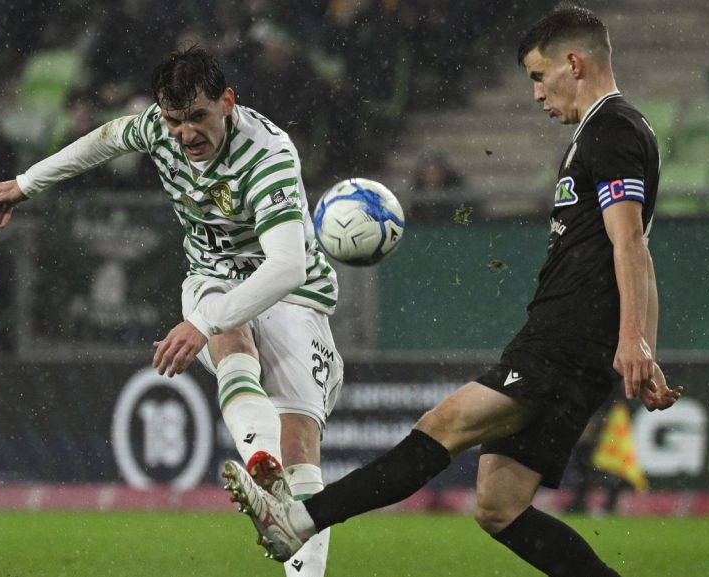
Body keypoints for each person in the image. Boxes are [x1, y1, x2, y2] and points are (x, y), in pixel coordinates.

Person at [226, 6, 682, 576]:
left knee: (442, 426)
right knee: (499, 507)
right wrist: (644, 345)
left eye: (539, 77)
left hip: (567, 338)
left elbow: (629, 243)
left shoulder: (611, 129)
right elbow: (641, 251)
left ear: (574, 62)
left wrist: (634, 341)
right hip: (572, 339)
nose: (537, 94)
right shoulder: (609, 132)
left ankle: (296, 522)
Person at [0, 46, 341, 577]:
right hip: (213, 277)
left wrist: (201, 324)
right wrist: (28, 183)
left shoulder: (268, 155)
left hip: (293, 294)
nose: (185, 133)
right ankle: (263, 465)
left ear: (227, 102)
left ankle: (285, 494)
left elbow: (286, 267)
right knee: (229, 336)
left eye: (197, 117)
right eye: (174, 121)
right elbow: (106, 140)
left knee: (301, 444)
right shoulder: (158, 128)